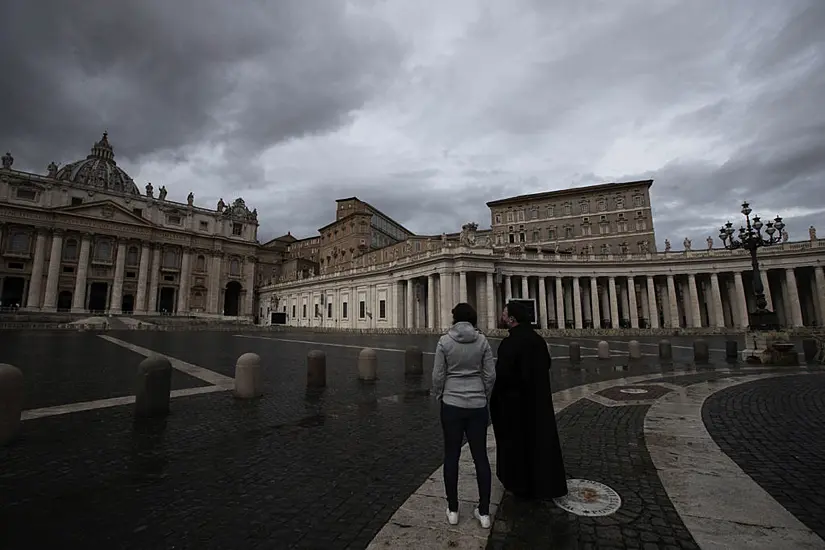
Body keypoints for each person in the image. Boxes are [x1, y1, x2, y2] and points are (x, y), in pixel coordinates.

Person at [490, 300, 568, 500]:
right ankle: (543, 483)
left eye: (505, 313)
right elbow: (546, 365)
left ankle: (518, 483)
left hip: (515, 404)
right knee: (539, 443)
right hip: (537, 401)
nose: (503, 316)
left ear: (512, 319)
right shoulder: (538, 340)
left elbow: (503, 376)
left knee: (516, 445)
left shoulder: (510, 343)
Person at [431, 302, 497, 528]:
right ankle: (485, 512)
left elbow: (438, 375)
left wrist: (440, 395)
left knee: (451, 456)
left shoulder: (445, 341)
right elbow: (490, 375)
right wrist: (483, 394)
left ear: (454, 318)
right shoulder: (482, 341)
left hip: (451, 403)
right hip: (478, 404)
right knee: (481, 457)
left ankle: (452, 509)